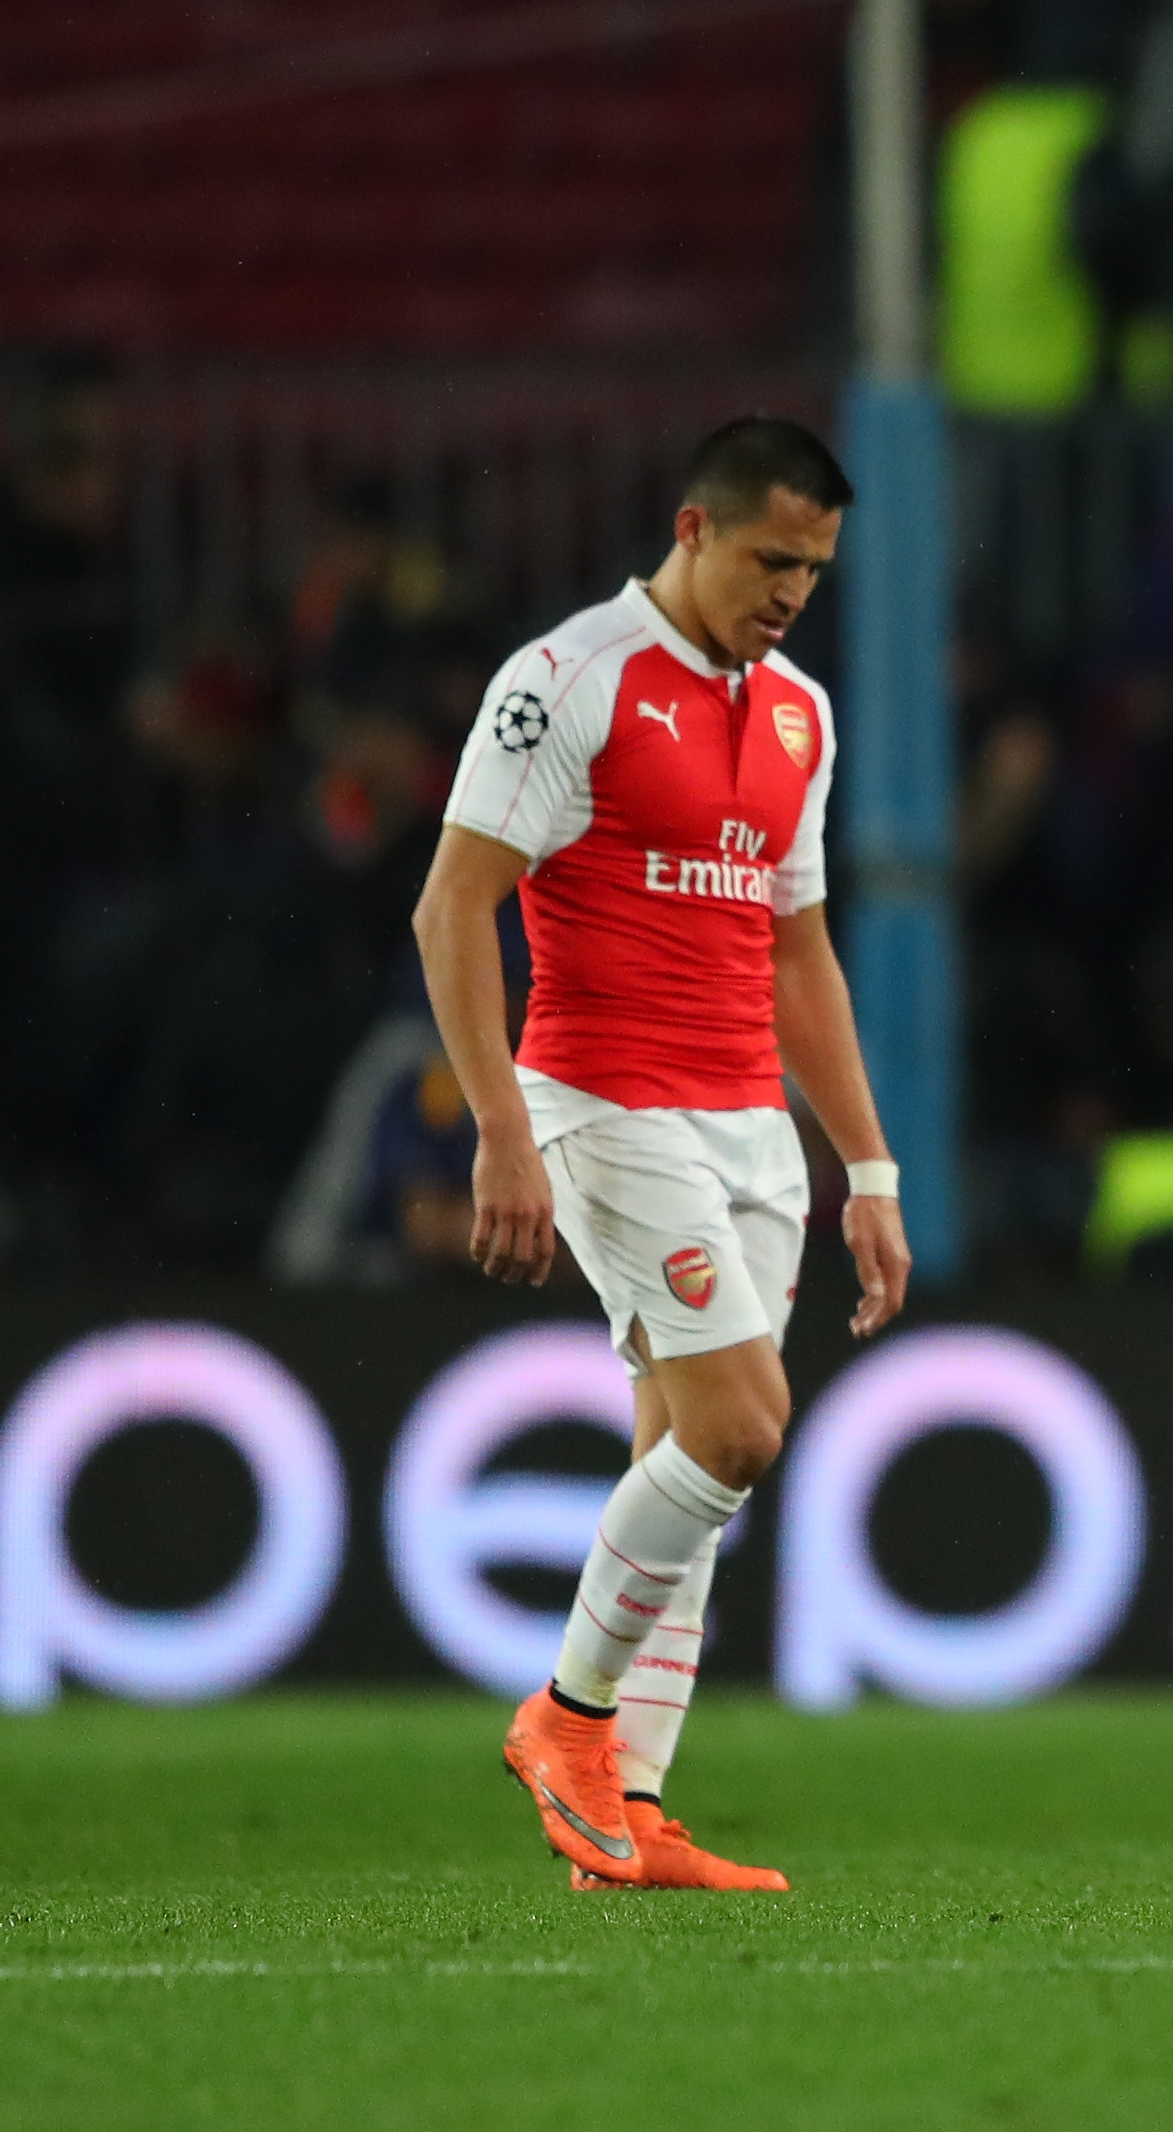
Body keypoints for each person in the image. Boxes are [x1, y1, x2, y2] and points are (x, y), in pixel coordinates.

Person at [411, 420, 914, 1893]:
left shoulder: (802, 716)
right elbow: (452, 908)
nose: (792, 592)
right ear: (693, 530)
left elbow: (798, 950)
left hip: (750, 1125)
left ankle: (625, 1813)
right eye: (771, 560)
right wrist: (502, 1126)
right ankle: (565, 1722)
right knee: (742, 1429)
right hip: (607, 1103)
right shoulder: (568, 680)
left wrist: (869, 1167)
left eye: (814, 570)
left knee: (682, 1456)